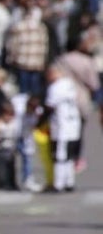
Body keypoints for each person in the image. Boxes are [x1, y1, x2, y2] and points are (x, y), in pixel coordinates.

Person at [45, 62, 82, 193]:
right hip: (73, 124)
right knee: (69, 155)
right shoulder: (70, 84)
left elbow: (50, 105)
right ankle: (69, 182)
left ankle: (59, 183)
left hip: (62, 126)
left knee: (60, 156)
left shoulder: (55, 87)